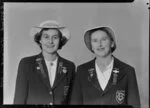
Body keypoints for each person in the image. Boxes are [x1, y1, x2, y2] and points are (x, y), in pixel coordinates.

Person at [70, 26, 140, 108]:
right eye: (95, 41)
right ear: (91, 46)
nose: (99, 44)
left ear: (112, 43)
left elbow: (135, 105)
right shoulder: (82, 70)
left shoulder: (128, 71)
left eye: (103, 39)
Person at [14, 20, 75, 105]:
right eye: (46, 37)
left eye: (55, 37)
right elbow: (19, 100)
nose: (50, 41)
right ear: (40, 39)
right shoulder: (26, 64)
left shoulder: (69, 66)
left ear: (60, 40)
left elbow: (71, 100)